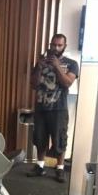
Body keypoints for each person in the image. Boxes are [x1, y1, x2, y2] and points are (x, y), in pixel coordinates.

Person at [29, 33, 79, 182]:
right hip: (41, 107)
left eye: (59, 45)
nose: (56, 48)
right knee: (39, 138)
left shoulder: (71, 64)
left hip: (59, 108)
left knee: (60, 139)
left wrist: (57, 66)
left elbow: (67, 83)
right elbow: (33, 84)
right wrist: (39, 67)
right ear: (50, 45)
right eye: (53, 45)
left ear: (65, 46)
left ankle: (60, 168)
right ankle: (40, 166)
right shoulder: (42, 62)